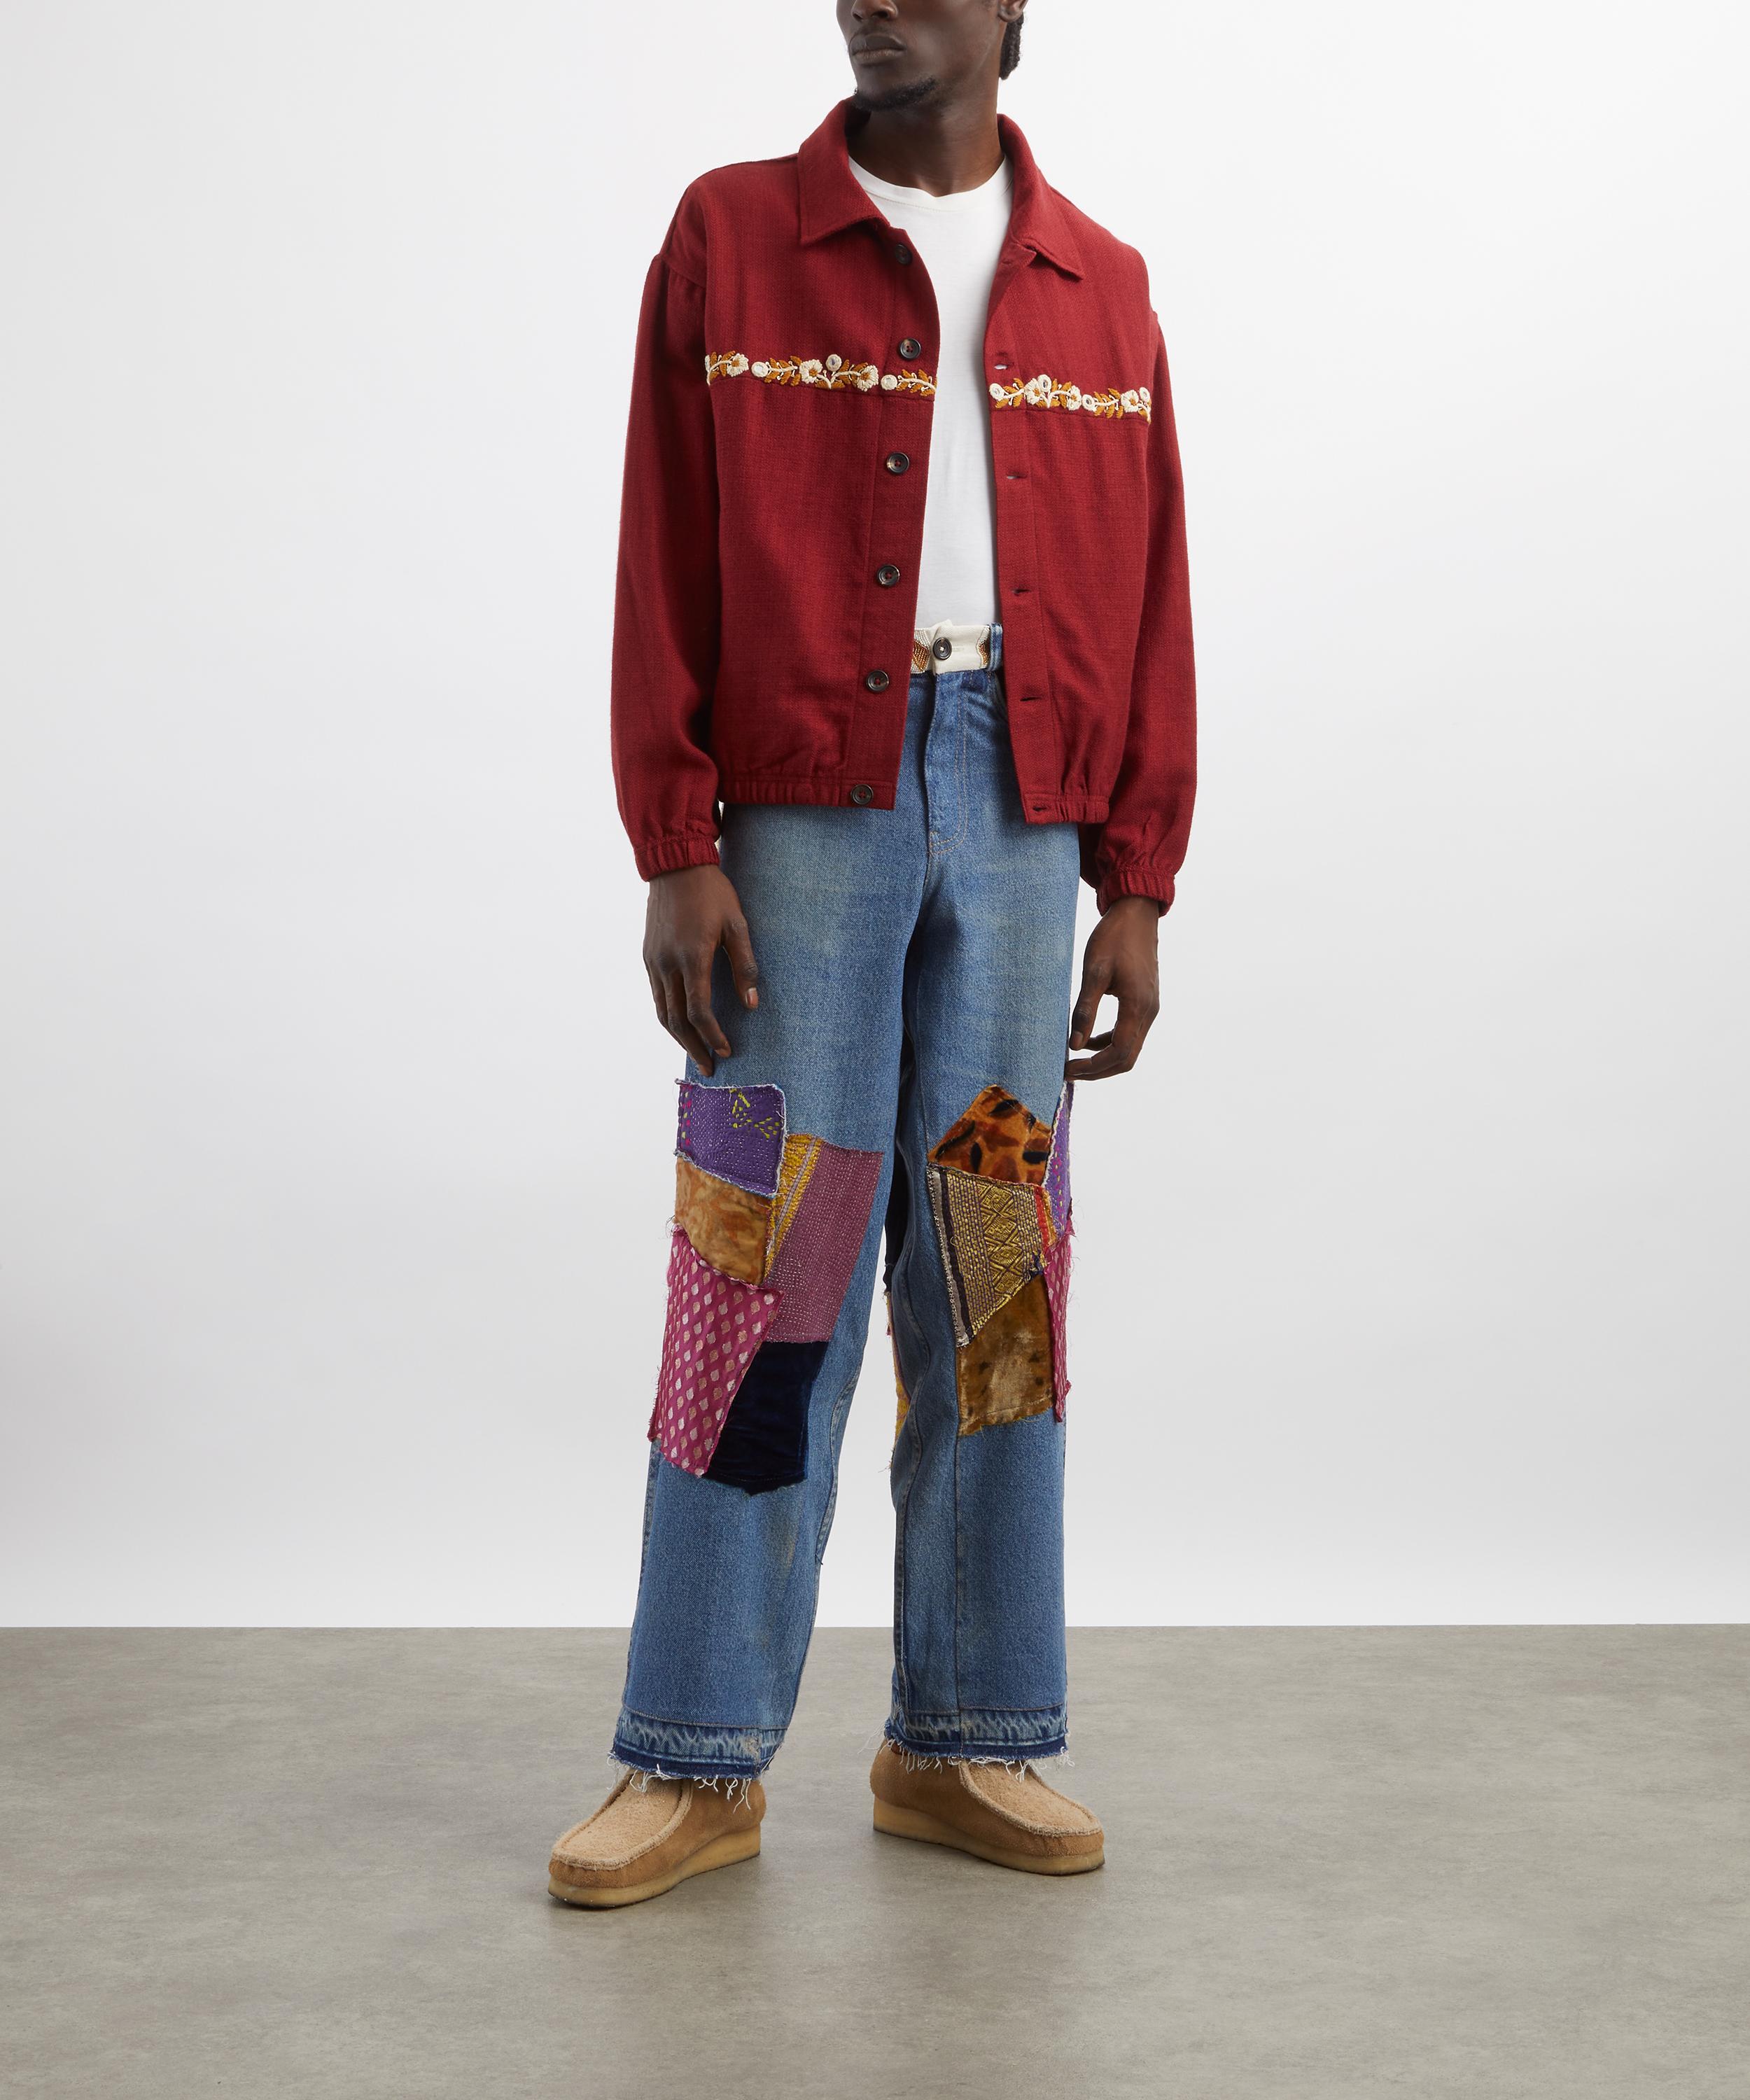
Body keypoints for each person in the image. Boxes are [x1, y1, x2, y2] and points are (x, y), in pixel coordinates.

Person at [548, 0, 1194, 1907]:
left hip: (1023, 805)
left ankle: (966, 1737)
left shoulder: (1100, 287)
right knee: (765, 1256)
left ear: (1013, 13)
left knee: (996, 1267)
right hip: (798, 808)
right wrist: (676, 840)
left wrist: (1136, 879)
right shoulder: (735, 236)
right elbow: (661, 543)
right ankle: (692, 1756)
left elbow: (1155, 582)